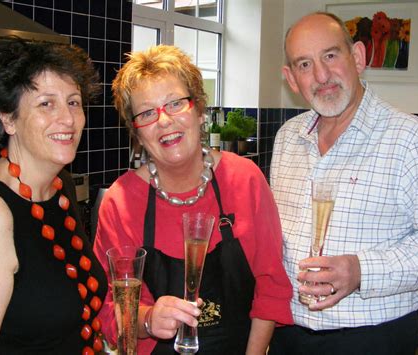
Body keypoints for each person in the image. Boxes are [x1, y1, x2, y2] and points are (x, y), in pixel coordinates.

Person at [93, 44, 294, 354]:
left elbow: (271, 287)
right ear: (136, 132)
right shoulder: (121, 202)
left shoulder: (245, 179)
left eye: (175, 103)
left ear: (199, 110)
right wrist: (148, 319)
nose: (163, 121)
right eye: (147, 113)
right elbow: (108, 307)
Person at [269, 11, 418, 355]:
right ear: (291, 78)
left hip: (371, 339)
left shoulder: (410, 139)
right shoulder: (288, 137)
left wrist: (360, 271)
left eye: (331, 56)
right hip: (288, 335)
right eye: (304, 64)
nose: (321, 75)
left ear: (358, 57)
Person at [0, 41, 108, 354]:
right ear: (8, 119)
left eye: (73, 102)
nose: (68, 119)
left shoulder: (60, 187)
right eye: (46, 104)